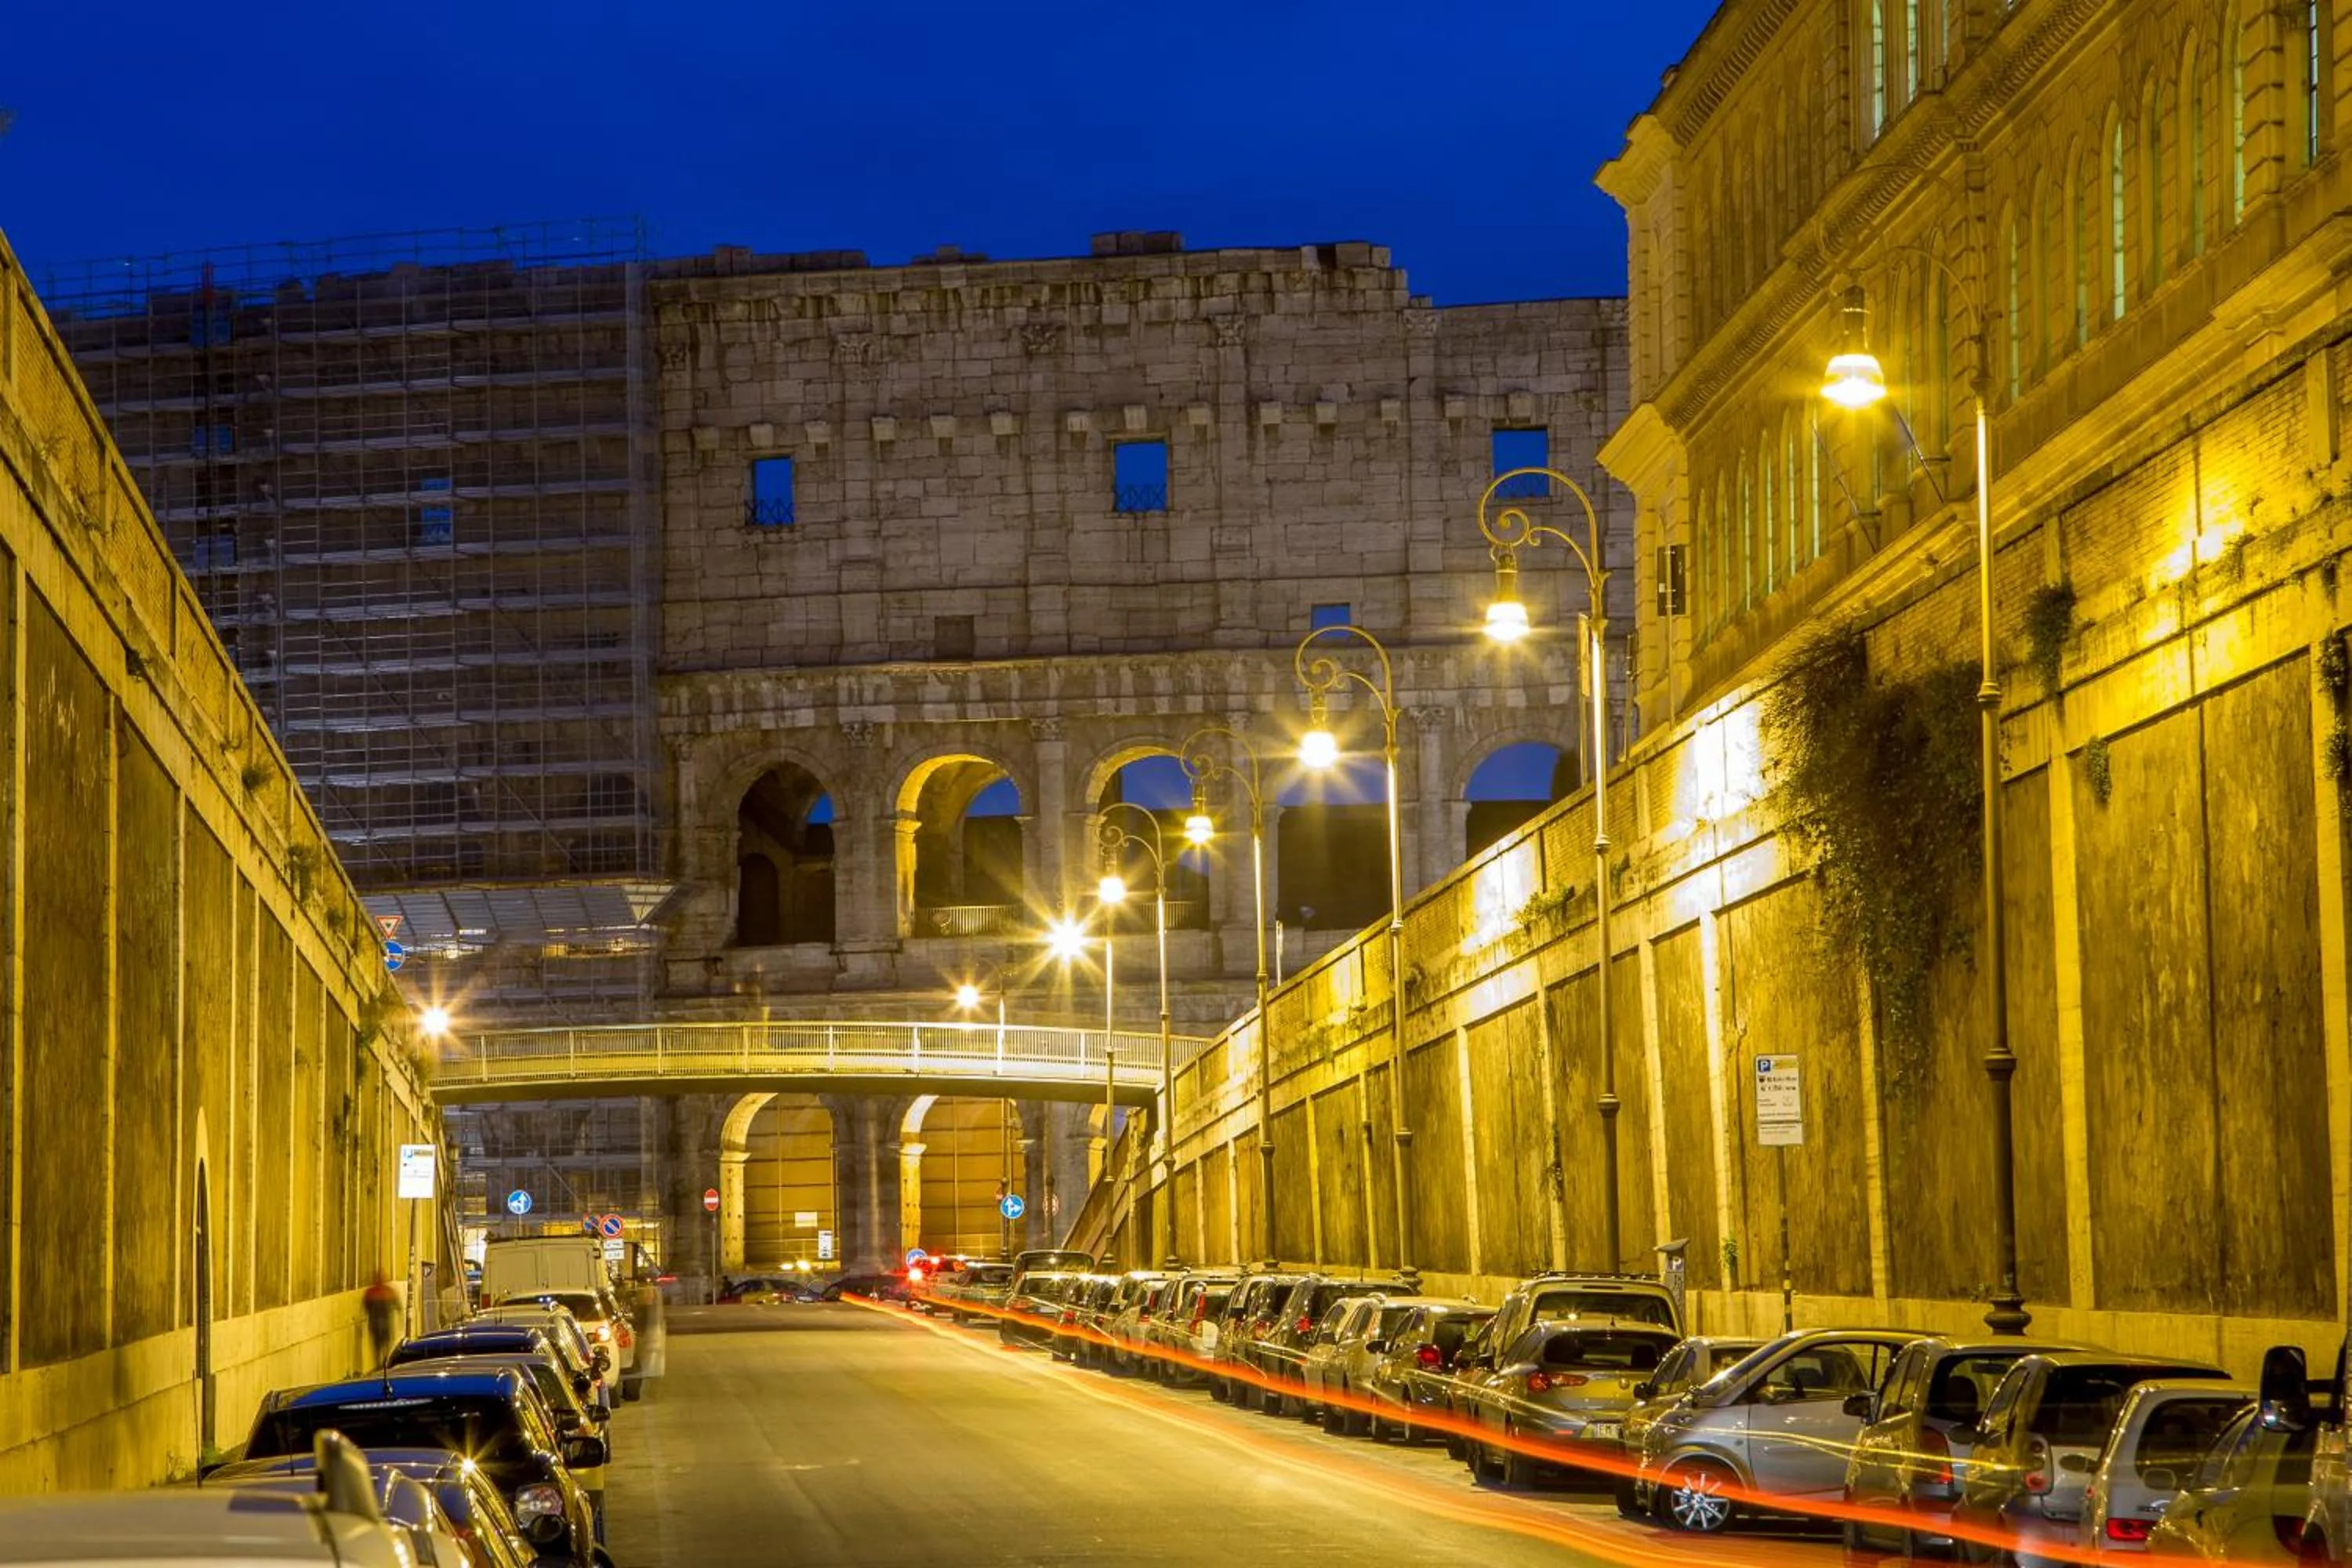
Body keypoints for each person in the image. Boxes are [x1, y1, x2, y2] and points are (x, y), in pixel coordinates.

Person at [361, 1271, 401, 1367]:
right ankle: (385, 1362)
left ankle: (379, 1364)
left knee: (378, 1346)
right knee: (386, 1344)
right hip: (385, 1323)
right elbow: (398, 1306)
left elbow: (366, 1307)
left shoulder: (370, 1292)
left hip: (375, 1324)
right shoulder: (388, 1291)